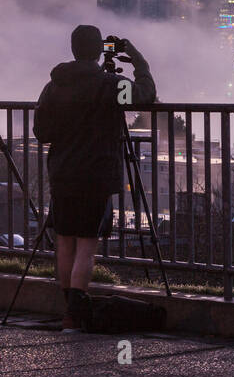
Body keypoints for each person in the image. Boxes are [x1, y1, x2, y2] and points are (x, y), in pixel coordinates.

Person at [34, 25, 156, 331]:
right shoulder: (110, 84)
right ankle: (77, 311)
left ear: (73, 49)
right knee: (87, 244)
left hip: (62, 173)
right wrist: (139, 61)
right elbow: (145, 94)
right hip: (95, 175)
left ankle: (68, 309)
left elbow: (42, 132)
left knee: (64, 240)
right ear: (98, 50)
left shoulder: (54, 85)